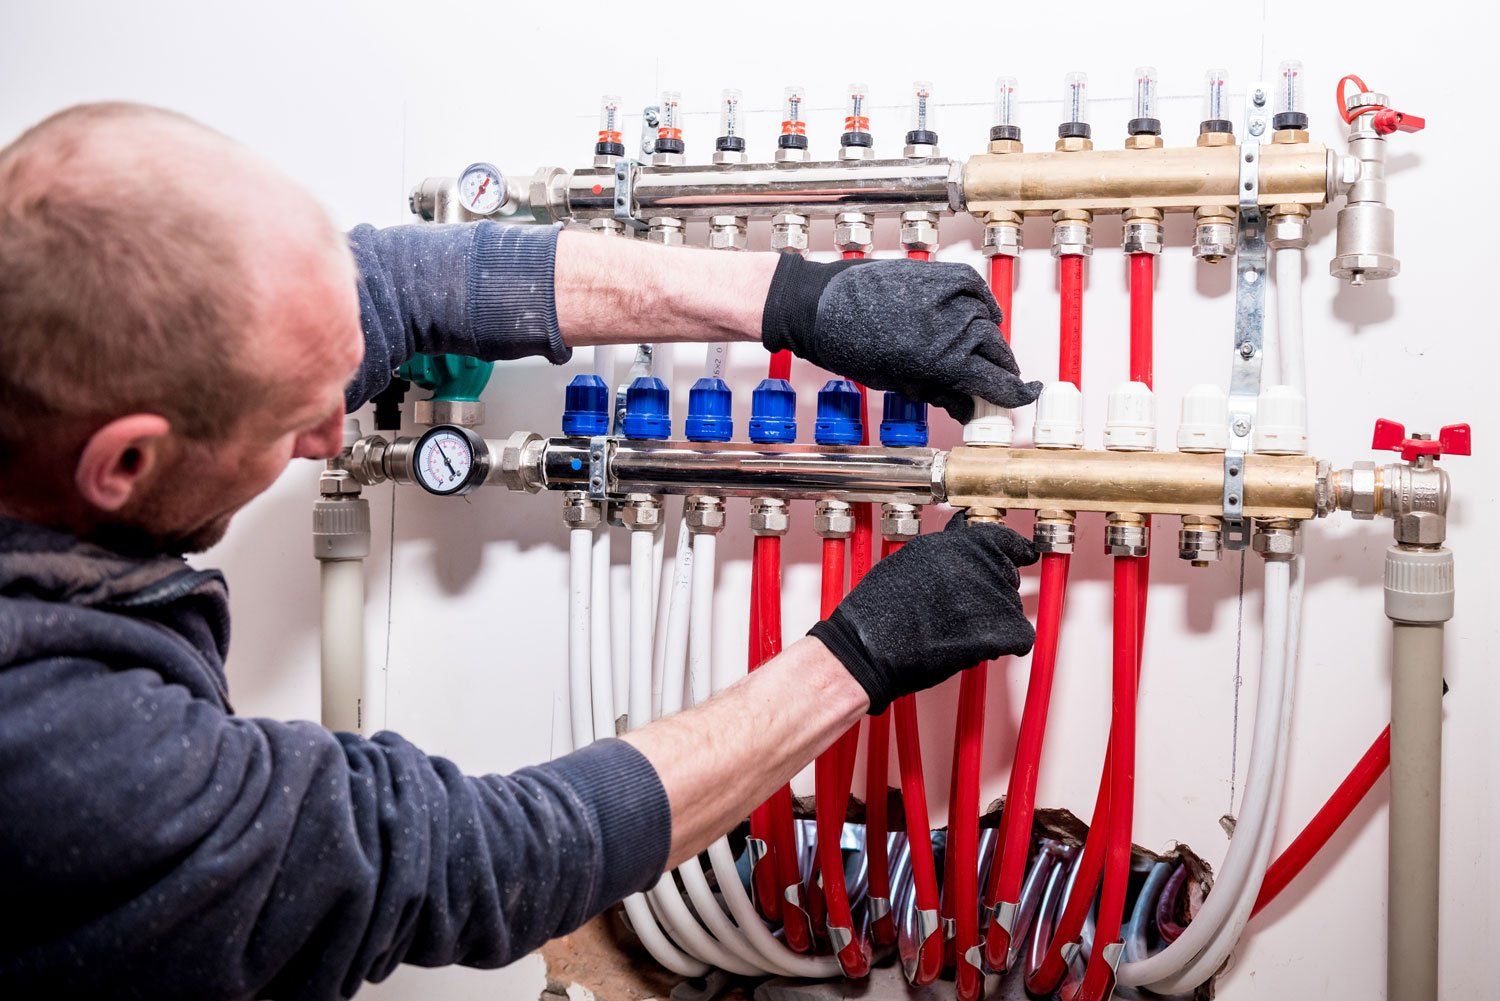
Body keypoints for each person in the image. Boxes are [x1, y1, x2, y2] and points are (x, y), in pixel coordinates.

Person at [0, 102, 1041, 999]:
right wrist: (859, 655)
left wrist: (795, 299)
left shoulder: (61, 328)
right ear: (124, 460)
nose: (333, 434)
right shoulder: (73, 757)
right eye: (293, 422)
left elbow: (411, 283)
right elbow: (477, 857)